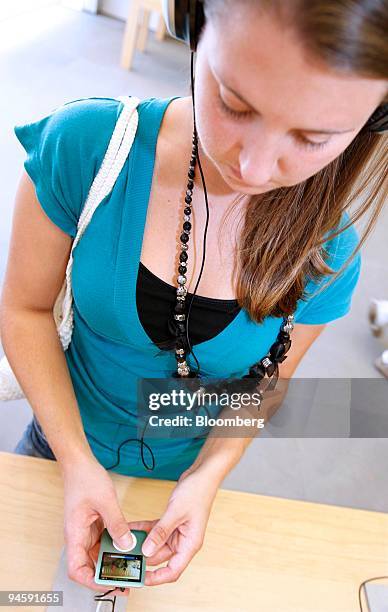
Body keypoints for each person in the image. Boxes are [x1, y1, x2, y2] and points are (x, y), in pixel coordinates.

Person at [1, 0, 387, 599]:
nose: (254, 168)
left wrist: (207, 477)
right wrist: (76, 460)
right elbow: (23, 310)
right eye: (235, 104)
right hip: (57, 447)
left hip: (184, 475)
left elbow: (269, 382)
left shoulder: (329, 247)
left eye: (314, 139)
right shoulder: (83, 146)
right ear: (191, 23)